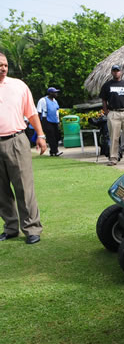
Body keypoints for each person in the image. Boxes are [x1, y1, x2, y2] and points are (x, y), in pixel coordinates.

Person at [0, 52, 47, 244]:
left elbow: (32, 112)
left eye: (4, 65)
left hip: (16, 140)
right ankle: (11, 227)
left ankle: (31, 228)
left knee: (24, 187)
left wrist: (41, 135)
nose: (2, 68)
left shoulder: (19, 86)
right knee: (1, 191)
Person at [100, 64, 124, 166]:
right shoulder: (107, 85)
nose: (116, 72)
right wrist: (106, 111)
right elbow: (103, 99)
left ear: (121, 72)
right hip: (113, 113)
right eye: (114, 71)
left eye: (118, 71)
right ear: (112, 72)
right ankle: (113, 158)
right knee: (114, 137)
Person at [37, 87, 63, 156]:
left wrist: (58, 121)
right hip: (46, 120)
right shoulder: (43, 100)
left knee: (57, 135)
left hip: (54, 120)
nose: (56, 94)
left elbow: (57, 111)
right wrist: (39, 123)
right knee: (51, 136)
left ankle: (53, 151)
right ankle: (55, 151)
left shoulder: (55, 101)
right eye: (55, 92)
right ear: (50, 93)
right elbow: (39, 112)